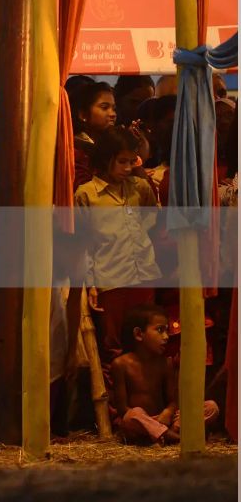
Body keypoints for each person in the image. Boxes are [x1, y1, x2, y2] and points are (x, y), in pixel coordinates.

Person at [75, 126, 160, 363]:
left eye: (132, 161)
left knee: (148, 344)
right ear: (105, 159)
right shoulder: (87, 194)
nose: (128, 168)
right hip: (110, 279)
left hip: (144, 273)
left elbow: (153, 216)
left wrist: (139, 233)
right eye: (122, 161)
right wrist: (90, 284)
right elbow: (82, 244)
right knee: (113, 347)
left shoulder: (139, 187)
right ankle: (116, 400)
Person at [112, 304, 218, 444]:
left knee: (211, 407)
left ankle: (169, 433)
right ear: (138, 334)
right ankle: (171, 436)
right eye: (160, 330)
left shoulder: (165, 363)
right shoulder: (120, 364)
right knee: (132, 415)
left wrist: (168, 412)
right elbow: (122, 409)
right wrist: (149, 422)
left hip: (164, 419)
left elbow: (173, 401)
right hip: (143, 422)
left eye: (167, 331)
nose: (166, 337)